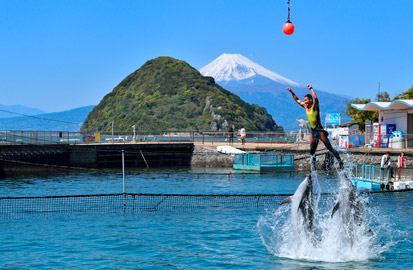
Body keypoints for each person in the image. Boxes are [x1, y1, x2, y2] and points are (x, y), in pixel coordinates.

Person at [287, 84, 343, 170]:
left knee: (330, 148)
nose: (304, 102)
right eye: (304, 100)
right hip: (313, 132)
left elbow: (316, 98)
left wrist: (311, 89)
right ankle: (312, 169)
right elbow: (297, 100)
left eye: (306, 100)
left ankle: (340, 162)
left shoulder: (315, 106)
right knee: (312, 151)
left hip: (319, 131)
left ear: (310, 100)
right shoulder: (305, 106)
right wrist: (291, 92)